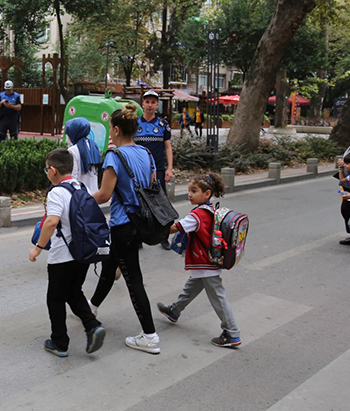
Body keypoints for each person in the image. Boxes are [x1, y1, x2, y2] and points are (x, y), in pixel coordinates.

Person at [88, 103, 161, 354]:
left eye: (110, 128)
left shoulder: (114, 156)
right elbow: (151, 185)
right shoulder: (146, 154)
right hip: (141, 222)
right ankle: (92, 307)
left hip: (123, 225)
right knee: (110, 267)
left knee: (134, 280)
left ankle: (150, 336)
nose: (110, 132)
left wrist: (80, 199)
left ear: (117, 129)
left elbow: (105, 195)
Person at [29, 149, 106, 357]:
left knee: (55, 298)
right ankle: (92, 326)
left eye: (47, 169)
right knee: (73, 291)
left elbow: (52, 221)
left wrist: (38, 248)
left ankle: (59, 342)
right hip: (82, 253)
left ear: (53, 170)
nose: (46, 173)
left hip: (62, 255)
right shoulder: (80, 186)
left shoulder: (56, 192)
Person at [156, 173, 242, 348]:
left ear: (207, 193)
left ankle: (232, 333)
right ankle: (174, 311)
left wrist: (154, 232)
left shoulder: (198, 214)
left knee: (218, 297)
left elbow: (177, 227)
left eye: (194, 191)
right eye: (189, 190)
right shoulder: (210, 210)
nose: (190, 194)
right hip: (205, 262)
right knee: (190, 288)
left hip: (204, 262)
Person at [134, 90, 174, 250]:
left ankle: (164, 237)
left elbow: (168, 147)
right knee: (138, 204)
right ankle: (138, 236)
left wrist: (170, 168)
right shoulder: (135, 124)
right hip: (138, 172)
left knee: (161, 204)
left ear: (157, 105)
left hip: (158, 170)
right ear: (142, 104)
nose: (150, 105)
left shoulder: (163, 125)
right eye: (147, 102)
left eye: (153, 102)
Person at [66, 117, 101, 195]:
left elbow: (73, 175)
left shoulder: (73, 150)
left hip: (80, 196)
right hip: (94, 194)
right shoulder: (94, 146)